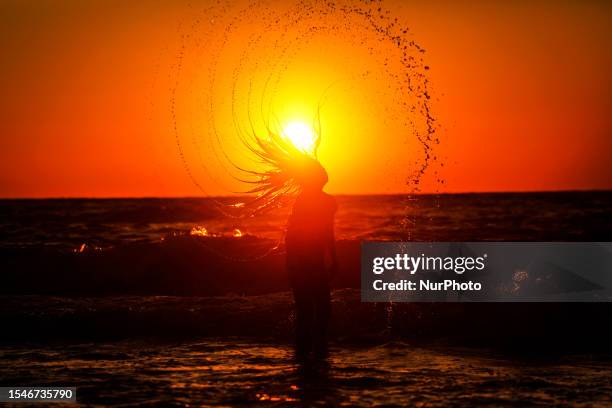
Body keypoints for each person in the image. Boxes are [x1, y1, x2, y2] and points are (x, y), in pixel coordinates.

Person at [285, 158, 337, 360]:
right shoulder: (304, 200)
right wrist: (292, 260)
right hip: (302, 259)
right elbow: (293, 232)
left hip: (315, 260)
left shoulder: (328, 201)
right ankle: (304, 349)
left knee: (323, 307)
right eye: (320, 170)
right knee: (306, 308)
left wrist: (333, 257)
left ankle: (318, 345)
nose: (325, 171)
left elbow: (328, 232)